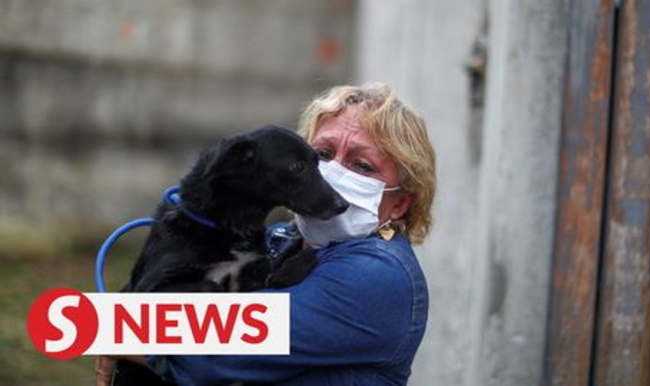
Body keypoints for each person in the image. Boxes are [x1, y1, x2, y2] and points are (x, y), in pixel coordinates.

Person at [96, 82, 436, 385]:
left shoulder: (376, 276)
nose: (332, 176)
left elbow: (215, 352)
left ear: (400, 204)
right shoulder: (277, 240)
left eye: (362, 166)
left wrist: (120, 332)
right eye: (322, 155)